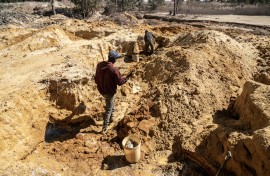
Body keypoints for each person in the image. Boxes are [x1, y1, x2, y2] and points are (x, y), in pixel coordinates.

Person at [94, 50, 133, 134]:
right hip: (109, 92)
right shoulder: (114, 70)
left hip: (101, 90)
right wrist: (128, 77)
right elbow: (120, 82)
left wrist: (100, 85)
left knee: (111, 102)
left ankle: (113, 116)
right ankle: (105, 128)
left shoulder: (100, 65)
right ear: (114, 59)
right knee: (108, 109)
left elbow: (96, 78)